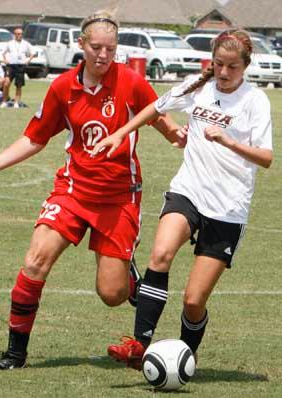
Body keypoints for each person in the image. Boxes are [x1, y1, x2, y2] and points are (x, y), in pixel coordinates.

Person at [0, 10, 185, 370]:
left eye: (111, 48)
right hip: (73, 190)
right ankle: (15, 353)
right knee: (35, 260)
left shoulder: (131, 81)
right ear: (81, 45)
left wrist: (178, 135)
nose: (104, 55)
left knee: (111, 294)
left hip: (119, 196)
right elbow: (34, 138)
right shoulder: (63, 87)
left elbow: (159, 118)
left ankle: (128, 276)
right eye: (96, 47)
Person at [91, 29, 273, 370]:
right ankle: (138, 344)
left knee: (193, 300)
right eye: (219, 64)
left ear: (245, 66)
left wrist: (229, 141)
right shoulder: (197, 86)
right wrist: (119, 133)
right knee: (160, 255)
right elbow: (153, 108)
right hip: (188, 190)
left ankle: (184, 357)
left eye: (232, 67)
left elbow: (266, 158)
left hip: (228, 207)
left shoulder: (255, 101)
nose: (223, 72)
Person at [1, 27, 35, 109]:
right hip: (10, 66)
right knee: (6, 83)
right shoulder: (10, 43)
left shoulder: (26, 44)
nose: (20, 35)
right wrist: (5, 60)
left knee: (18, 85)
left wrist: (28, 61)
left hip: (20, 66)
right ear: (15, 35)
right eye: (18, 34)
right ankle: (4, 101)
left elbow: (33, 53)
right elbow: (3, 53)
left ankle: (16, 103)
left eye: (21, 34)